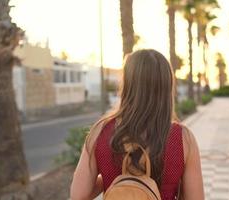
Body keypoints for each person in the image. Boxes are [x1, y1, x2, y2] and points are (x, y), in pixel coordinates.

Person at [70, 49, 204, 200]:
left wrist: (114, 177)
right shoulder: (183, 139)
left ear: (127, 84)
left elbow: (78, 196)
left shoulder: (100, 132)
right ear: (166, 87)